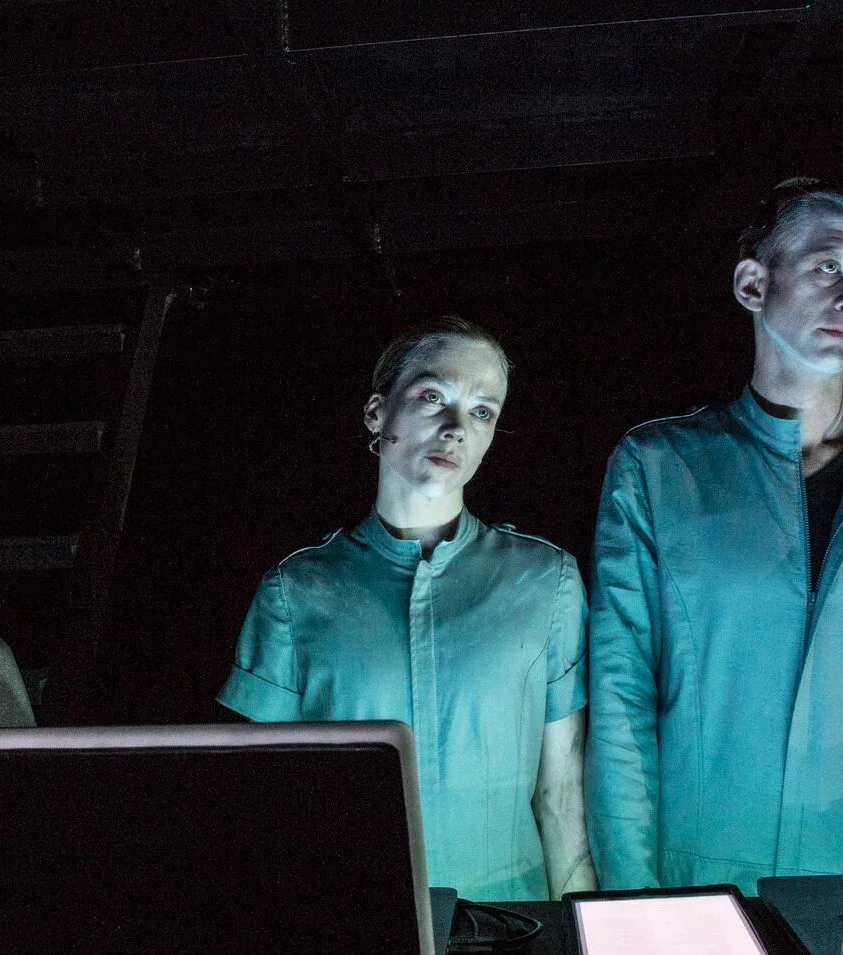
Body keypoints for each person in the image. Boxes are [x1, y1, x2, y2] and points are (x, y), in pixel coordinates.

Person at [586, 178, 843, 893]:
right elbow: (621, 702)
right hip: (696, 884)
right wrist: (635, 899)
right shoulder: (656, 468)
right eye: (828, 266)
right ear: (753, 283)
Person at [219, 316, 595, 901]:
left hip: (511, 923)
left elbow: (562, 798)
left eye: (482, 411)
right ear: (377, 413)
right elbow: (265, 806)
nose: (456, 429)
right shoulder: (296, 591)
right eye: (432, 397)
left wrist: (578, 937)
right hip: (353, 921)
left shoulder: (546, 581)